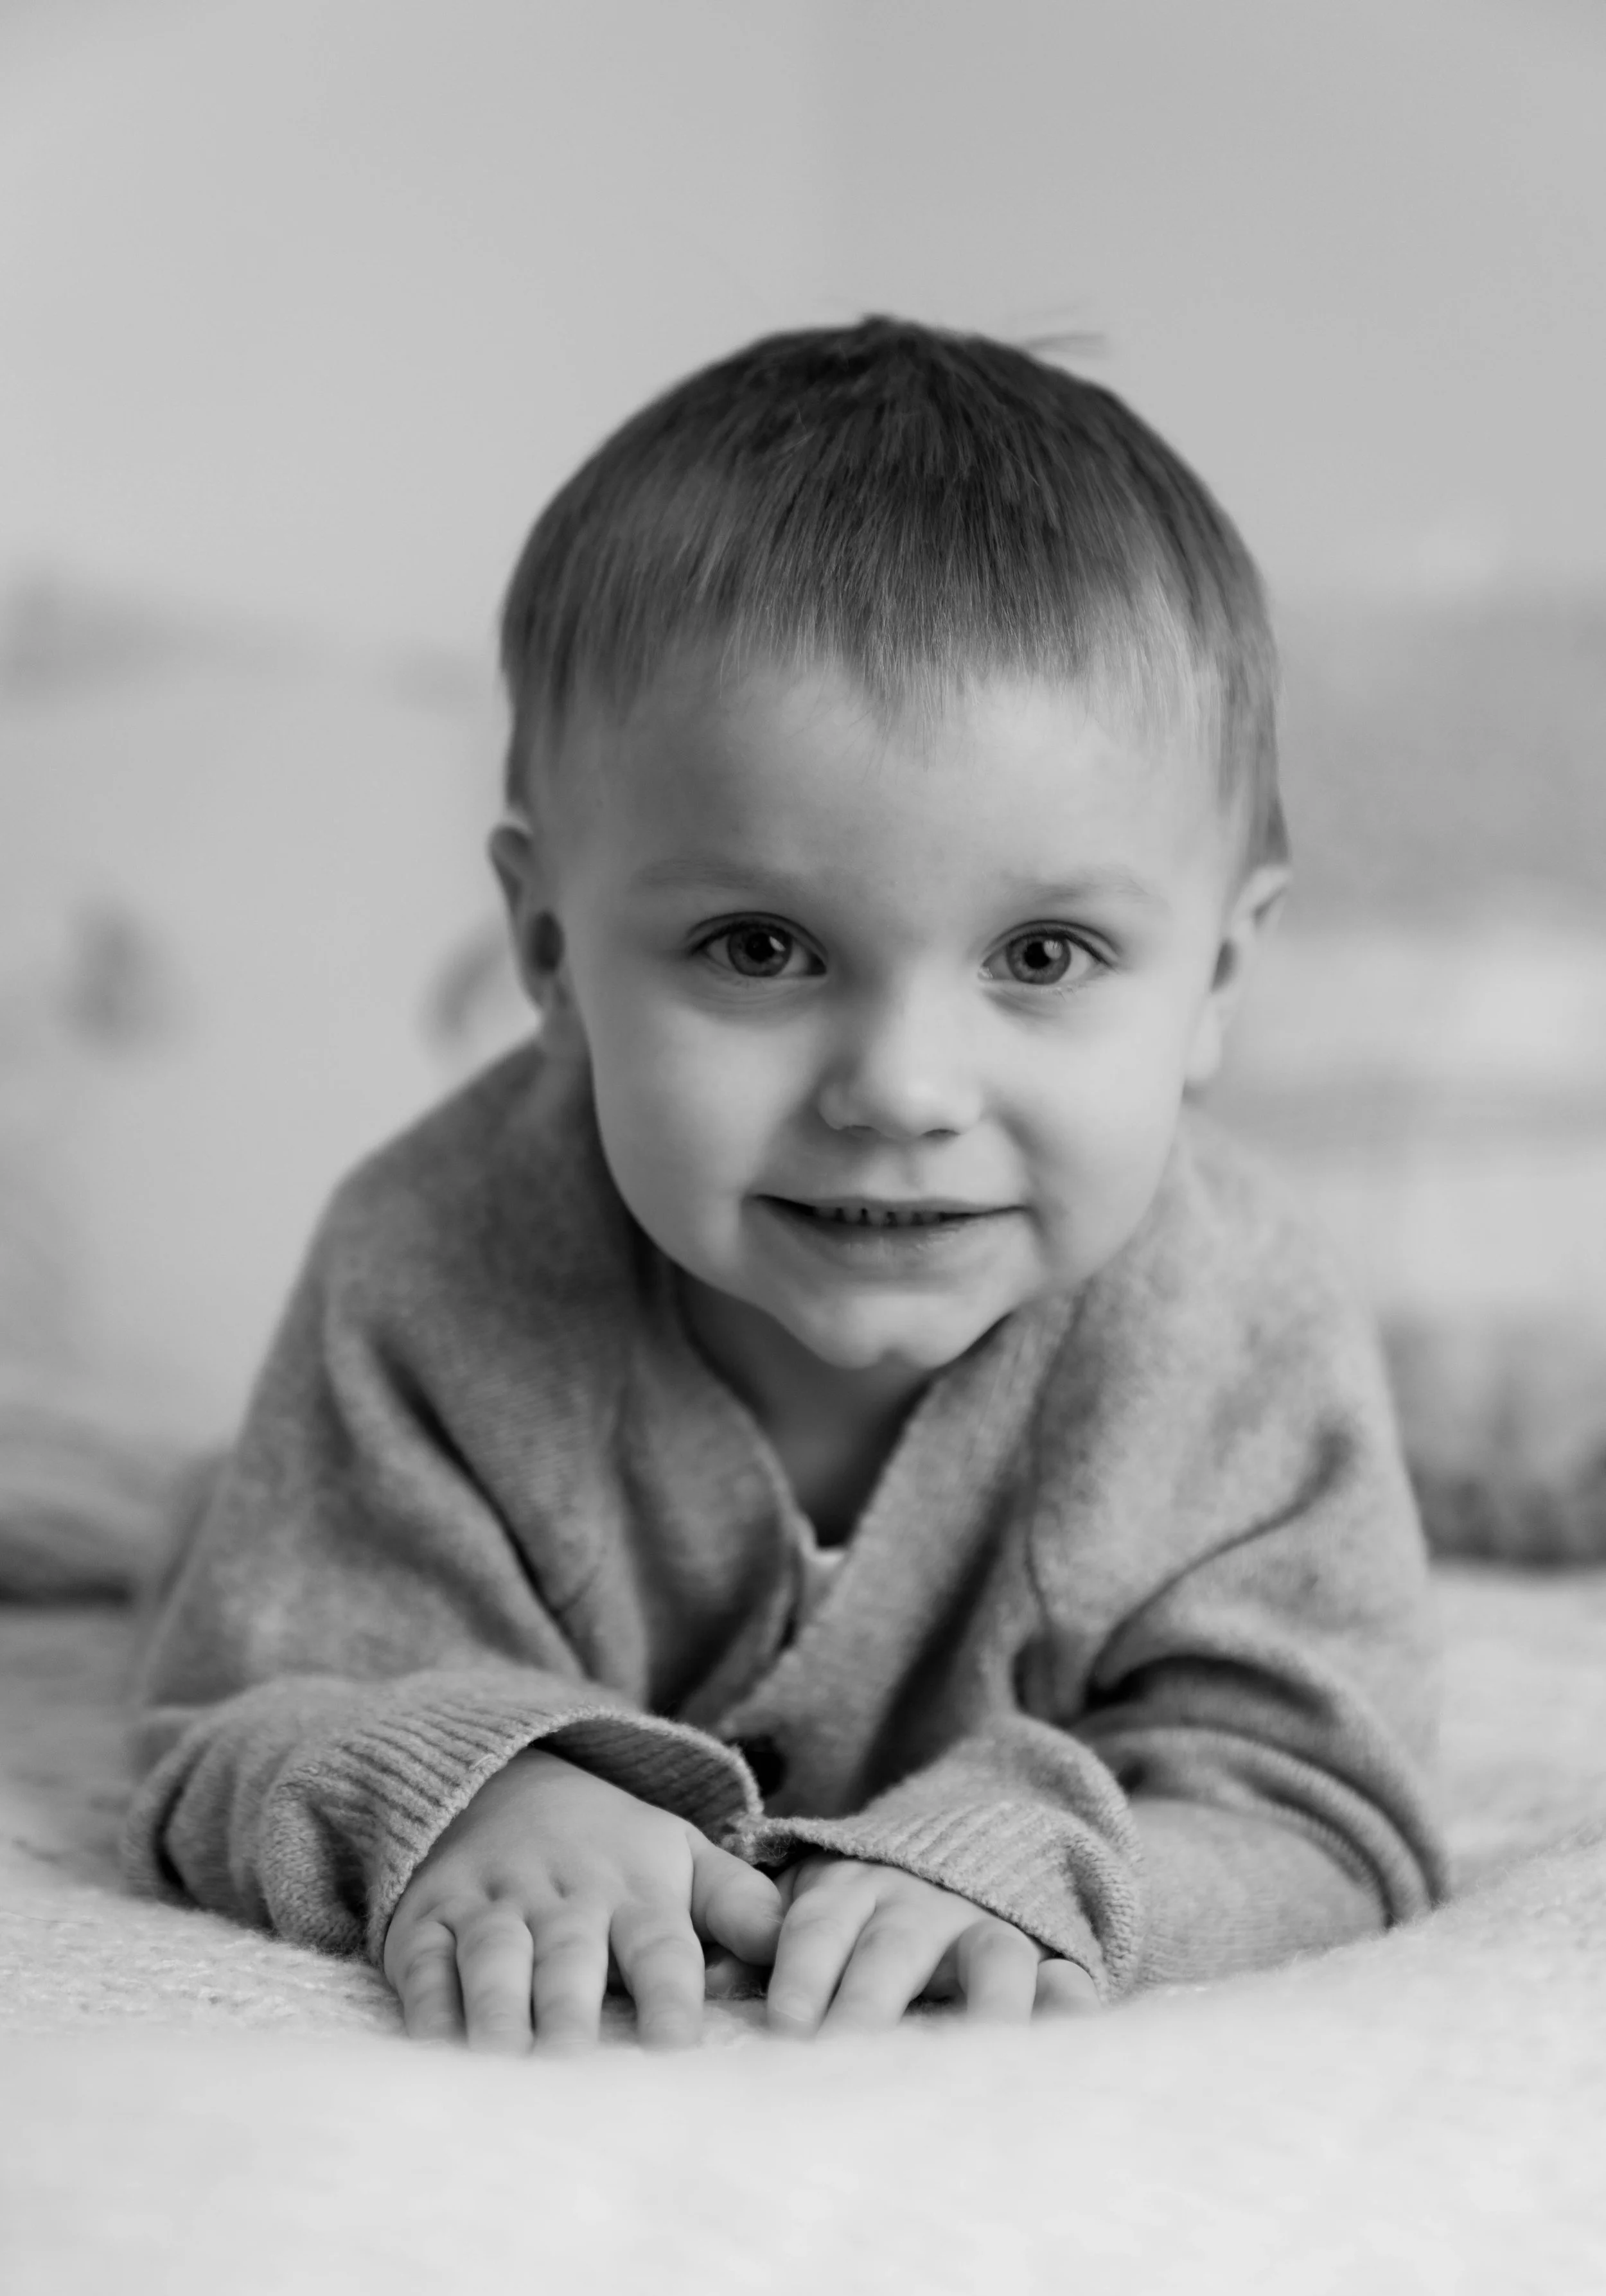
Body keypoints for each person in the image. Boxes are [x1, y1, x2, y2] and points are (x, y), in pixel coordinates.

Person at [123, 319, 1445, 2052]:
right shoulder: (432, 1262)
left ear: (1212, 978)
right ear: (547, 946)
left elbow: (1316, 1793)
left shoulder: (1233, 1329)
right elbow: (242, 1715)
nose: (899, 1088)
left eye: (1043, 951)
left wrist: (1041, 1852)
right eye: (758, 947)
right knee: (209, 1534)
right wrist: (477, 1786)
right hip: (347, 1486)